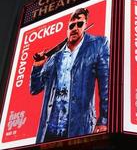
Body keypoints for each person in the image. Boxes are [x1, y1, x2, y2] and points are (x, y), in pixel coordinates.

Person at [30, 8, 109, 143]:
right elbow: (35, 88)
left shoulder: (98, 44)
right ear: (67, 28)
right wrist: (38, 65)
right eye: (72, 25)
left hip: (79, 128)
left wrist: (104, 119)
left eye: (80, 24)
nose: (75, 28)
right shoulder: (55, 57)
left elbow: (106, 83)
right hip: (49, 130)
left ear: (85, 25)